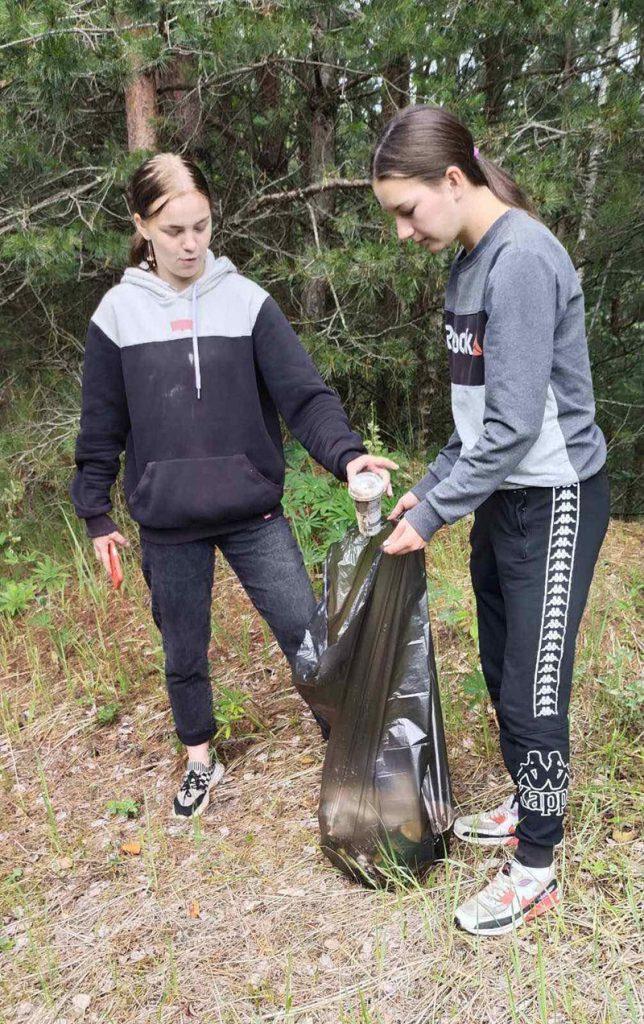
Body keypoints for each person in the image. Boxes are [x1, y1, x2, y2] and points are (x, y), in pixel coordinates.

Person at [70, 153, 396, 820]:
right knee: (183, 649)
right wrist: (97, 513)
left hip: (253, 512)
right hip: (168, 522)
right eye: (173, 231)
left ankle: (347, 740)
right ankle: (200, 759)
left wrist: (349, 458)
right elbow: (101, 426)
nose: (191, 244)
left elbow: (305, 398)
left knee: (305, 629)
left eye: (202, 226)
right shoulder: (117, 316)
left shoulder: (247, 303)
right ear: (141, 225)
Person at [371, 106, 609, 936]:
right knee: (505, 666)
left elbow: (512, 428)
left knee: (535, 684)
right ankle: (523, 804)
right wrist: (430, 483)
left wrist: (435, 511)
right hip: (503, 497)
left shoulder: (523, 260)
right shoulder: (469, 264)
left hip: (555, 498)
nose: (404, 232)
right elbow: (476, 422)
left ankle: (538, 865)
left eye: (407, 210)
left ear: (452, 180)